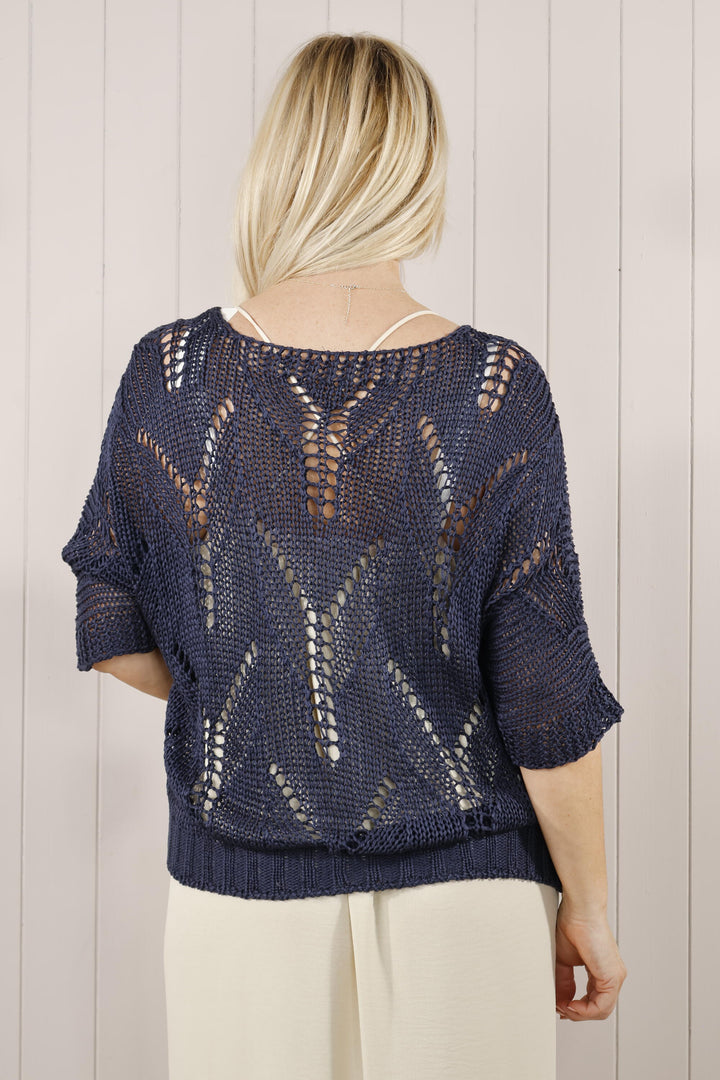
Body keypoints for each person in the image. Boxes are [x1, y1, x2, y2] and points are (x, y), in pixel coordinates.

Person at [60, 31, 627, 1080]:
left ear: (282, 159)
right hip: (468, 900)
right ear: (417, 167)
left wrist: (265, 684)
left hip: (237, 895)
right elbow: (544, 698)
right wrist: (588, 907)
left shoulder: (172, 375)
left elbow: (117, 633)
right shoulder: (494, 389)